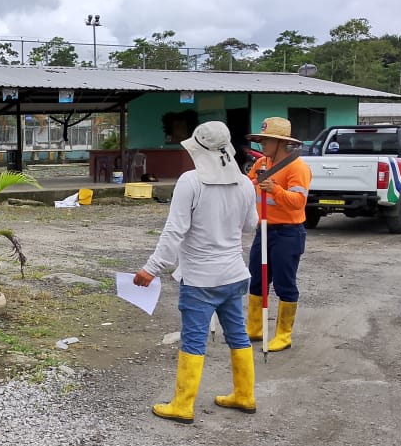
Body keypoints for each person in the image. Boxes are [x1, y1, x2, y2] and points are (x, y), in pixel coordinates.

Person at [133, 121, 260, 422]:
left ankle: (183, 404)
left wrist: (151, 268)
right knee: (238, 335)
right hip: (234, 275)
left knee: (193, 339)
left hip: (200, 279)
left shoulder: (190, 181)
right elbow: (250, 225)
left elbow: (175, 230)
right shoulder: (244, 183)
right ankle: (244, 395)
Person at [245, 117, 312, 351]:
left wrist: (275, 189)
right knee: (256, 279)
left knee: (285, 283)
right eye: (261, 140)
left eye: (266, 140)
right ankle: (254, 328)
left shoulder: (298, 168)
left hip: (288, 233)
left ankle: (284, 335)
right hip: (263, 229)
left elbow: (298, 202)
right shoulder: (261, 163)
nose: (262, 144)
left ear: (281, 142)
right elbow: (248, 185)